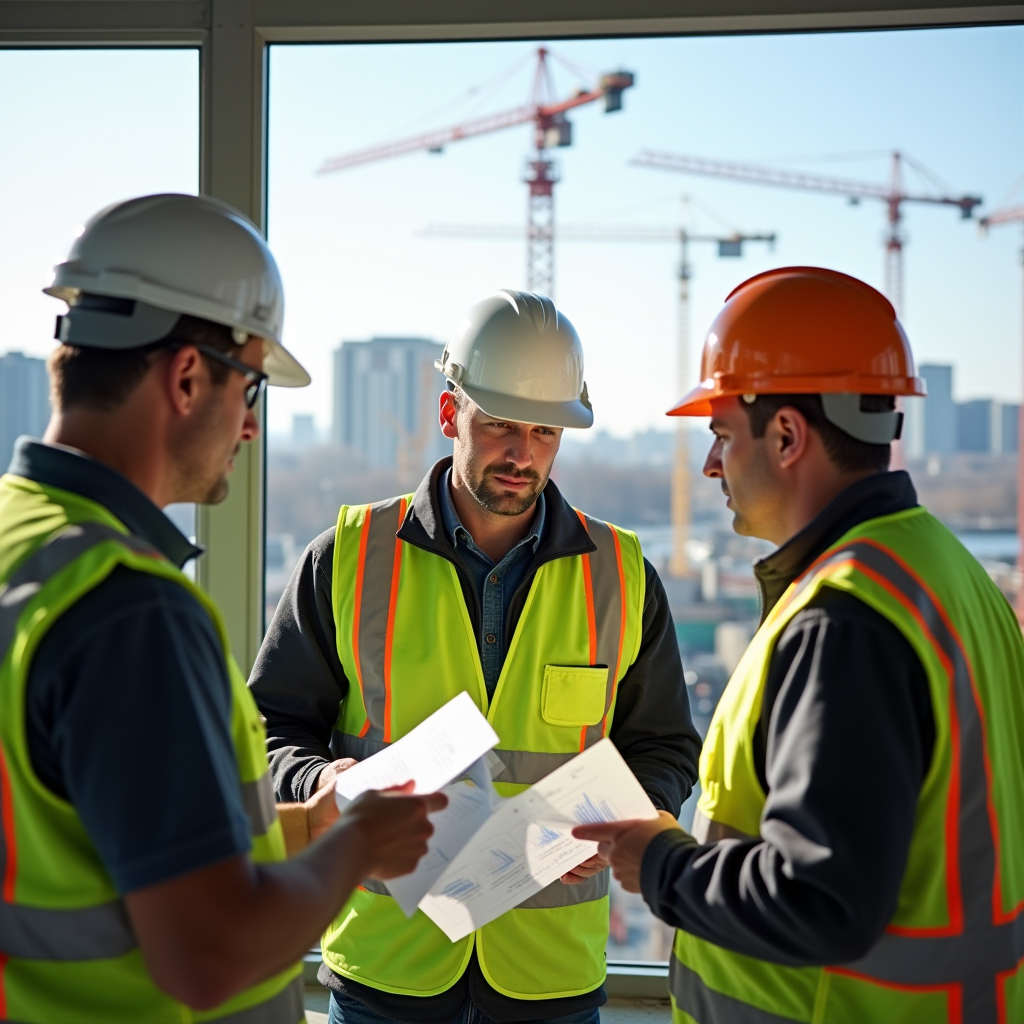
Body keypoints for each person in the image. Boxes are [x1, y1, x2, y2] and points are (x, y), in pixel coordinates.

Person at [0, 193, 446, 1024]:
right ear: (187, 376)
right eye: (251, 390)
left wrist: (311, 826)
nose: (249, 429)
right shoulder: (129, 609)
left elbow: (101, 836)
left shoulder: (20, 542)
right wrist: (358, 848)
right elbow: (206, 955)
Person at [575, 266, 1024, 1024]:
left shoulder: (843, 618)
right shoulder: (948, 573)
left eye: (721, 436)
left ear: (785, 435)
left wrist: (658, 861)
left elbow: (821, 897)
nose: (712, 464)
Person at [249, 289, 701, 1024]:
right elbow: (270, 725)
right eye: (499, 427)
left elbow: (666, 745)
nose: (523, 454)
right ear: (450, 414)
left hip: (549, 978)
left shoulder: (620, 575)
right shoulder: (348, 559)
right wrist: (324, 778)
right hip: (386, 971)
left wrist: (635, 818)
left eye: (545, 432)